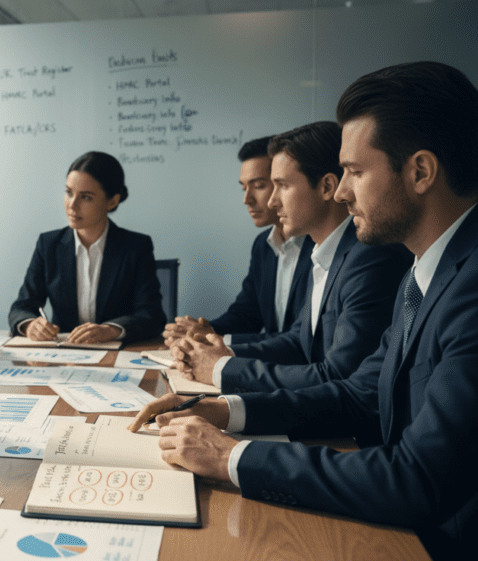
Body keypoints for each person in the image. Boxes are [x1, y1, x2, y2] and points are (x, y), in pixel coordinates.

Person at [128, 61, 478, 560]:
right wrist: (223, 409)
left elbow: (416, 479)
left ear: (420, 171)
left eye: (356, 172)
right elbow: (360, 395)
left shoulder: (469, 287)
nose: (340, 191)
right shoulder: (425, 271)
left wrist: (231, 456)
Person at [170, 122, 410, 393]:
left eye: (281, 186)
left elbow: (340, 374)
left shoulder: (369, 257)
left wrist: (220, 368)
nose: (272, 202)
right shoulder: (326, 251)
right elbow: (298, 342)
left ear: (326, 187)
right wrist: (221, 355)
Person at [163, 136, 314, 346]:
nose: (247, 200)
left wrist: (215, 339)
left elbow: (302, 339)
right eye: (244, 188)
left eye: (259, 185)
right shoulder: (263, 245)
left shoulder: (320, 243)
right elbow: (247, 313)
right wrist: (205, 331)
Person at [8, 151, 166, 344]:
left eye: (86, 197)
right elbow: (21, 307)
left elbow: (152, 315)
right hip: (63, 357)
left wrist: (110, 330)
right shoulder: (48, 244)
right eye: (69, 193)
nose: (72, 206)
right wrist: (30, 324)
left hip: (116, 356)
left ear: (113, 201)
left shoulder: (136, 247)